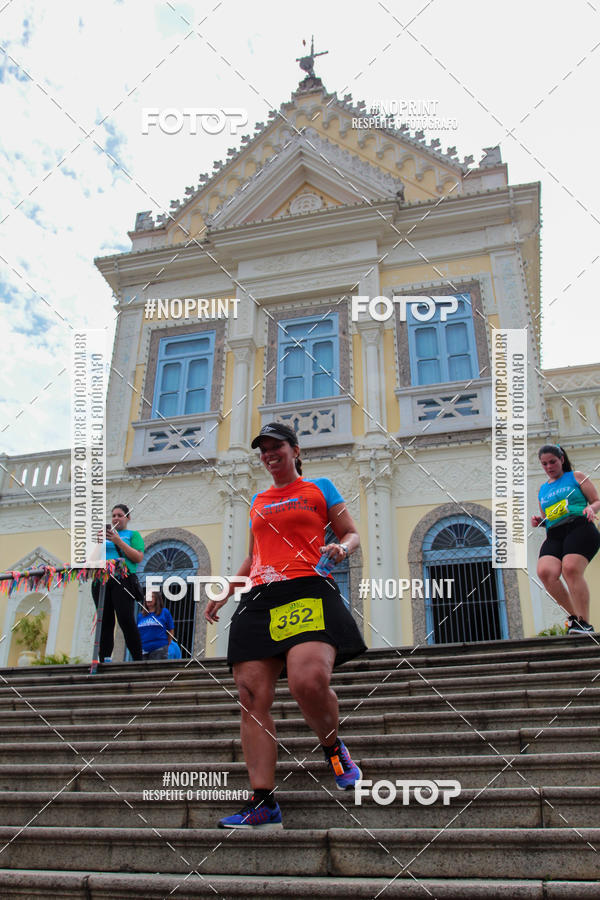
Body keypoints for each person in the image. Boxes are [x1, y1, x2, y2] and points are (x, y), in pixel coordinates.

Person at [205, 422, 366, 830]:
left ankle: (332, 747)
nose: (269, 453)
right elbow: (253, 557)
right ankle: (263, 802)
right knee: (250, 696)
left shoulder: (321, 488)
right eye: (263, 448)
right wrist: (226, 590)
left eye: (277, 446)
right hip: (260, 596)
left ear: (296, 450)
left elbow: (351, 534)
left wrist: (340, 548)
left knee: (307, 681)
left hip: (308, 590)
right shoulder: (258, 501)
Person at [532, 444, 600, 634]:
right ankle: (575, 618)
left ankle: (585, 622)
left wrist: (591, 509)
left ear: (561, 459)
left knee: (570, 568)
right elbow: (550, 517)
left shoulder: (575, 477)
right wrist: (540, 521)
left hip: (580, 526)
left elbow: (596, 500)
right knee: (545, 572)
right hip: (555, 533)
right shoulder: (542, 490)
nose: (549, 467)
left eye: (552, 462)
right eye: (544, 464)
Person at [91, 503, 144, 662]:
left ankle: (137, 657)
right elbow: (91, 561)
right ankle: (104, 658)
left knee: (125, 618)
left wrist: (118, 541)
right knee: (105, 620)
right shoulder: (103, 537)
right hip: (102, 580)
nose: (116, 518)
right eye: (113, 515)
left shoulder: (133, 535)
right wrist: (100, 541)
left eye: (119, 515)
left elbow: (137, 558)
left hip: (123, 579)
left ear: (127, 518)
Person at [137, 590, 174, 660]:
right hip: (143, 650)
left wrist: (167, 645)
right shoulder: (140, 616)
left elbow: (171, 630)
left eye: (151, 597)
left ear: (157, 599)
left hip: (159, 649)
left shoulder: (164, 612)